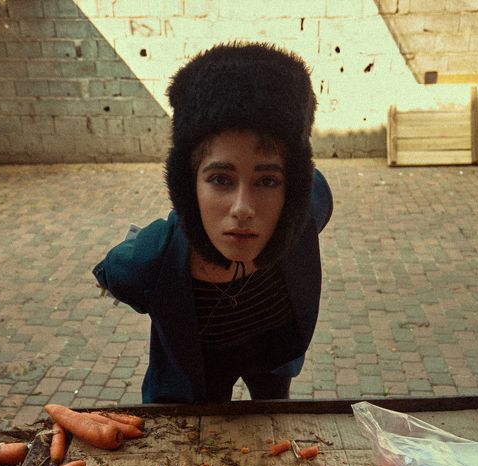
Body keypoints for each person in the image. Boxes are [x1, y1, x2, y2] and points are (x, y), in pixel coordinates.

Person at [93, 42, 333, 404]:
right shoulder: (152, 259)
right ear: (189, 185)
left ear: (293, 190)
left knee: (272, 410)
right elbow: (111, 270)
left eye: (267, 181)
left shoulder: (308, 208)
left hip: (274, 353)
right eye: (221, 179)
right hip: (201, 376)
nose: (243, 209)